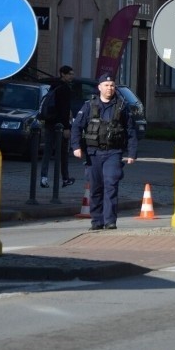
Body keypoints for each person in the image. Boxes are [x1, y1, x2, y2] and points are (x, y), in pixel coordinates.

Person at [70, 73, 137, 231]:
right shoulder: (89, 106)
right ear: (99, 87)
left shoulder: (121, 107)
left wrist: (132, 153)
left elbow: (131, 131)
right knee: (95, 188)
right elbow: (76, 127)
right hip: (93, 153)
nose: (110, 88)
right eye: (106, 85)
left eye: (112, 85)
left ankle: (110, 221)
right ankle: (96, 220)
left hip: (113, 152)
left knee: (111, 185)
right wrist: (76, 147)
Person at [40, 65, 75, 189]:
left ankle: (43, 177)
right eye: (70, 74)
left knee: (48, 151)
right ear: (63, 74)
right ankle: (65, 178)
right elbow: (64, 110)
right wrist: (66, 127)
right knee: (63, 153)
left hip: (49, 122)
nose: (72, 76)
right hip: (60, 126)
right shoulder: (64, 88)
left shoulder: (53, 85)